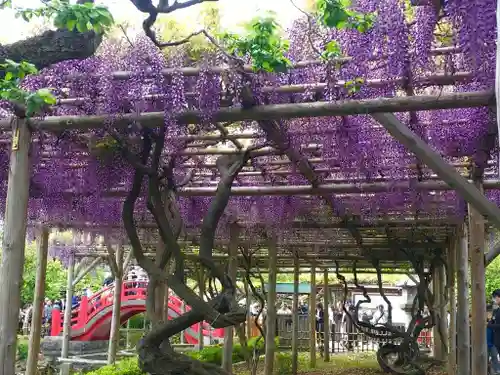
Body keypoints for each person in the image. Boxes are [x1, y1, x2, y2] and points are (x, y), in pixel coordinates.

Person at [487, 305, 500, 374]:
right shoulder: (483, 322)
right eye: (488, 313)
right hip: (485, 344)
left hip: (492, 344)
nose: (490, 314)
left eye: (491, 313)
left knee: (495, 358)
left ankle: (497, 371)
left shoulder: (493, 321)